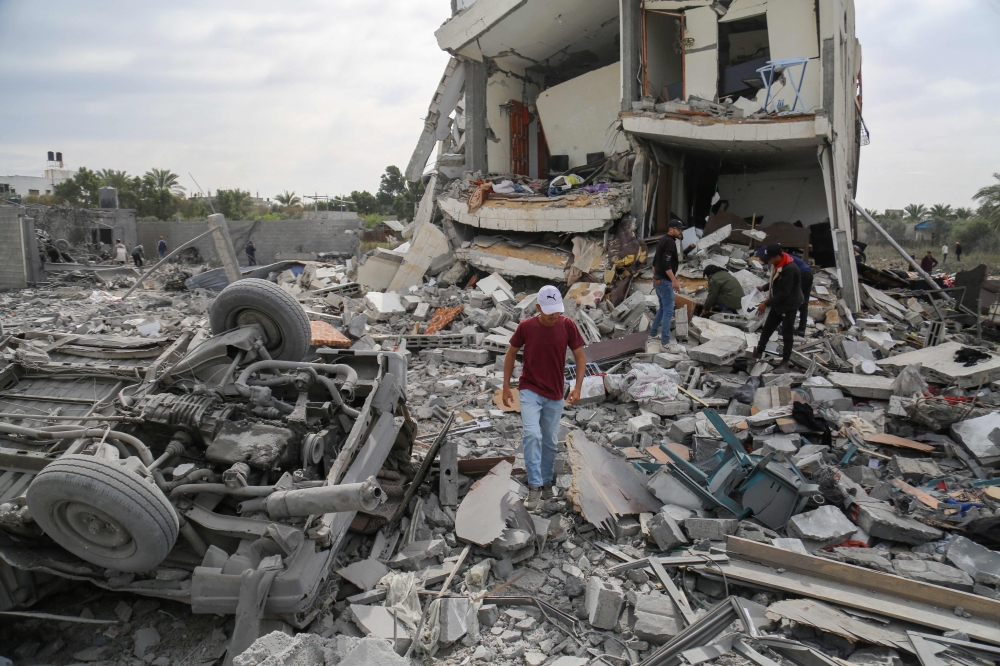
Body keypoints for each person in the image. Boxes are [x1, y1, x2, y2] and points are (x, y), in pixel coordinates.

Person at [502, 285, 586, 511]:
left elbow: (580, 358)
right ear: (538, 307)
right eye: (550, 313)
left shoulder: (567, 325)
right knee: (532, 434)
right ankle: (535, 486)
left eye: (557, 312)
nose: (554, 317)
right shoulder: (526, 327)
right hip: (530, 389)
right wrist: (505, 387)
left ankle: (548, 483)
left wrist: (577, 387)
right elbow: (510, 354)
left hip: (556, 393)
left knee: (549, 439)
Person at [752, 244, 803, 374]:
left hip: (789, 304)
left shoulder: (790, 269)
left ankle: (785, 362)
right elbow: (776, 282)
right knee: (767, 328)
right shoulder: (778, 265)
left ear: (778, 256)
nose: (768, 261)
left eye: (770, 258)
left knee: (787, 333)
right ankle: (759, 352)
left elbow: (785, 292)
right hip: (779, 302)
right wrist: (763, 288)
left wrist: (766, 303)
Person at [756, 246, 812, 336]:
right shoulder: (780, 257)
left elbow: (780, 286)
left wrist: (768, 302)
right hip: (808, 273)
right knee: (803, 302)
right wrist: (764, 288)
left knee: (793, 300)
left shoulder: (781, 262)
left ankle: (787, 327)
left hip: (802, 274)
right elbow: (775, 281)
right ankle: (801, 328)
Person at [649, 220, 685, 346]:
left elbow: (654, 262)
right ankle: (665, 341)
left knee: (663, 308)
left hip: (658, 279)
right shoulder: (670, 242)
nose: (681, 232)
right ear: (671, 229)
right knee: (669, 310)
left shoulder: (662, 240)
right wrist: (674, 280)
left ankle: (653, 333)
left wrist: (655, 277)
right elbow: (666, 263)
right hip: (664, 281)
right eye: (679, 229)